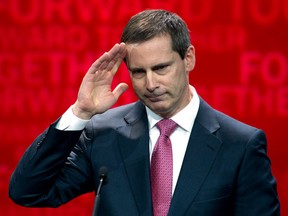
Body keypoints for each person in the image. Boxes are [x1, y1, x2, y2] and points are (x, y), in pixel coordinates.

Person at [9, 9, 280, 216]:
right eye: (139, 72)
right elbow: (28, 192)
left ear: (188, 58)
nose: (150, 84)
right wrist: (81, 112)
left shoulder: (241, 144)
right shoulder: (102, 134)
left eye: (161, 68)